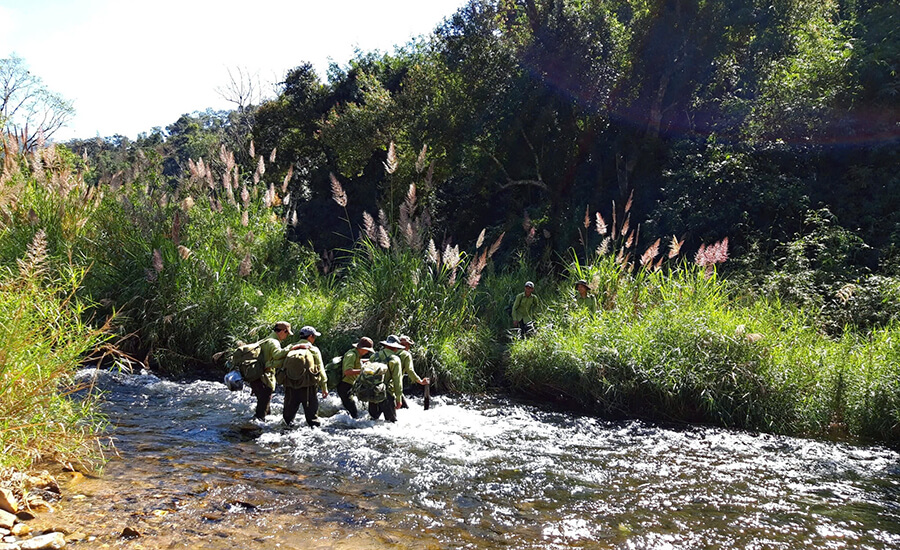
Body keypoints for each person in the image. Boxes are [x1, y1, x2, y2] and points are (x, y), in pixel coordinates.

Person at [282, 326, 328, 427]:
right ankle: (314, 431)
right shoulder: (313, 349)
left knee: (288, 417)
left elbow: (279, 361)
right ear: (310, 336)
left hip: (290, 384)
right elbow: (320, 368)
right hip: (308, 385)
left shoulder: (291, 347)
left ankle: (286, 431)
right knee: (312, 416)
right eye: (314, 337)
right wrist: (324, 386)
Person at [251, 321, 294, 421]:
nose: (287, 336)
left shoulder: (265, 340)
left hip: (255, 377)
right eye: (287, 333)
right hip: (265, 379)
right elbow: (277, 355)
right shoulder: (274, 342)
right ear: (282, 331)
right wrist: (290, 347)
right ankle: (257, 426)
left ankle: (261, 424)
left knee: (264, 405)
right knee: (262, 409)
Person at [367, 335, 405, 422]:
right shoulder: (395, 360)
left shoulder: (374, 356)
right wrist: (398, 399)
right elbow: (397, 380)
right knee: (392, 422)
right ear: (395, 347)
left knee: (372, 420)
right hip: (386, 393)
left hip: (372, 392)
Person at [337, 336, 375, 418]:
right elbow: (347, 371)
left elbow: (359, 361)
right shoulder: (351, 355)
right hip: (345, 386)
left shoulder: (357, 354)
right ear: (362, 348)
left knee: (352, 411)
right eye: (367, 350)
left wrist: (370, 360)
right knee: (353, 413)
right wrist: (364, 371)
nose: (367, 352)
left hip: (350, 385)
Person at [397, 335, 429, 408]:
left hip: (385, 385)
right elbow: (410, 371)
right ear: (405, 345)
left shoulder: (390, 353)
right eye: (408, 345)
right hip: (396, 387)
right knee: (404, 409)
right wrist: (420, 381)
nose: (409, 347)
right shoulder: (406, 355)